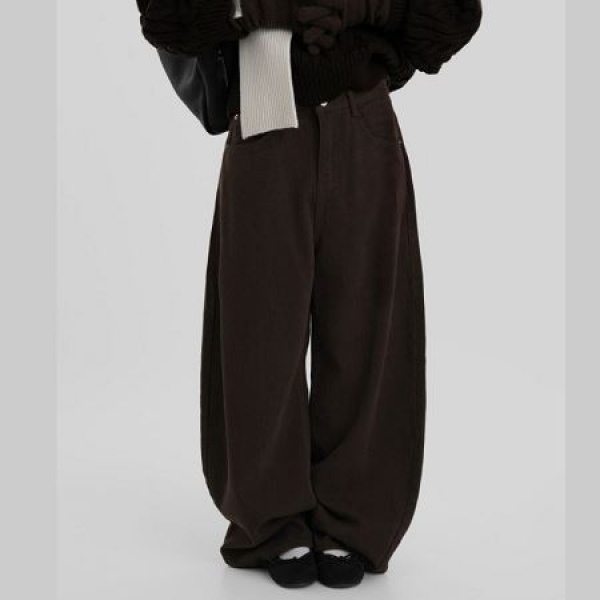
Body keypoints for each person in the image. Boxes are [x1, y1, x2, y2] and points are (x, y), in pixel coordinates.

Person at [135, 0, 482, 589]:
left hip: (362, 118)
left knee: (367, 328)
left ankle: (354, 518)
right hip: (265, 120)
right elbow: (167, 15)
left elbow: (453, 15)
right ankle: (269, 520)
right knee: (259, 332)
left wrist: (359, 6)